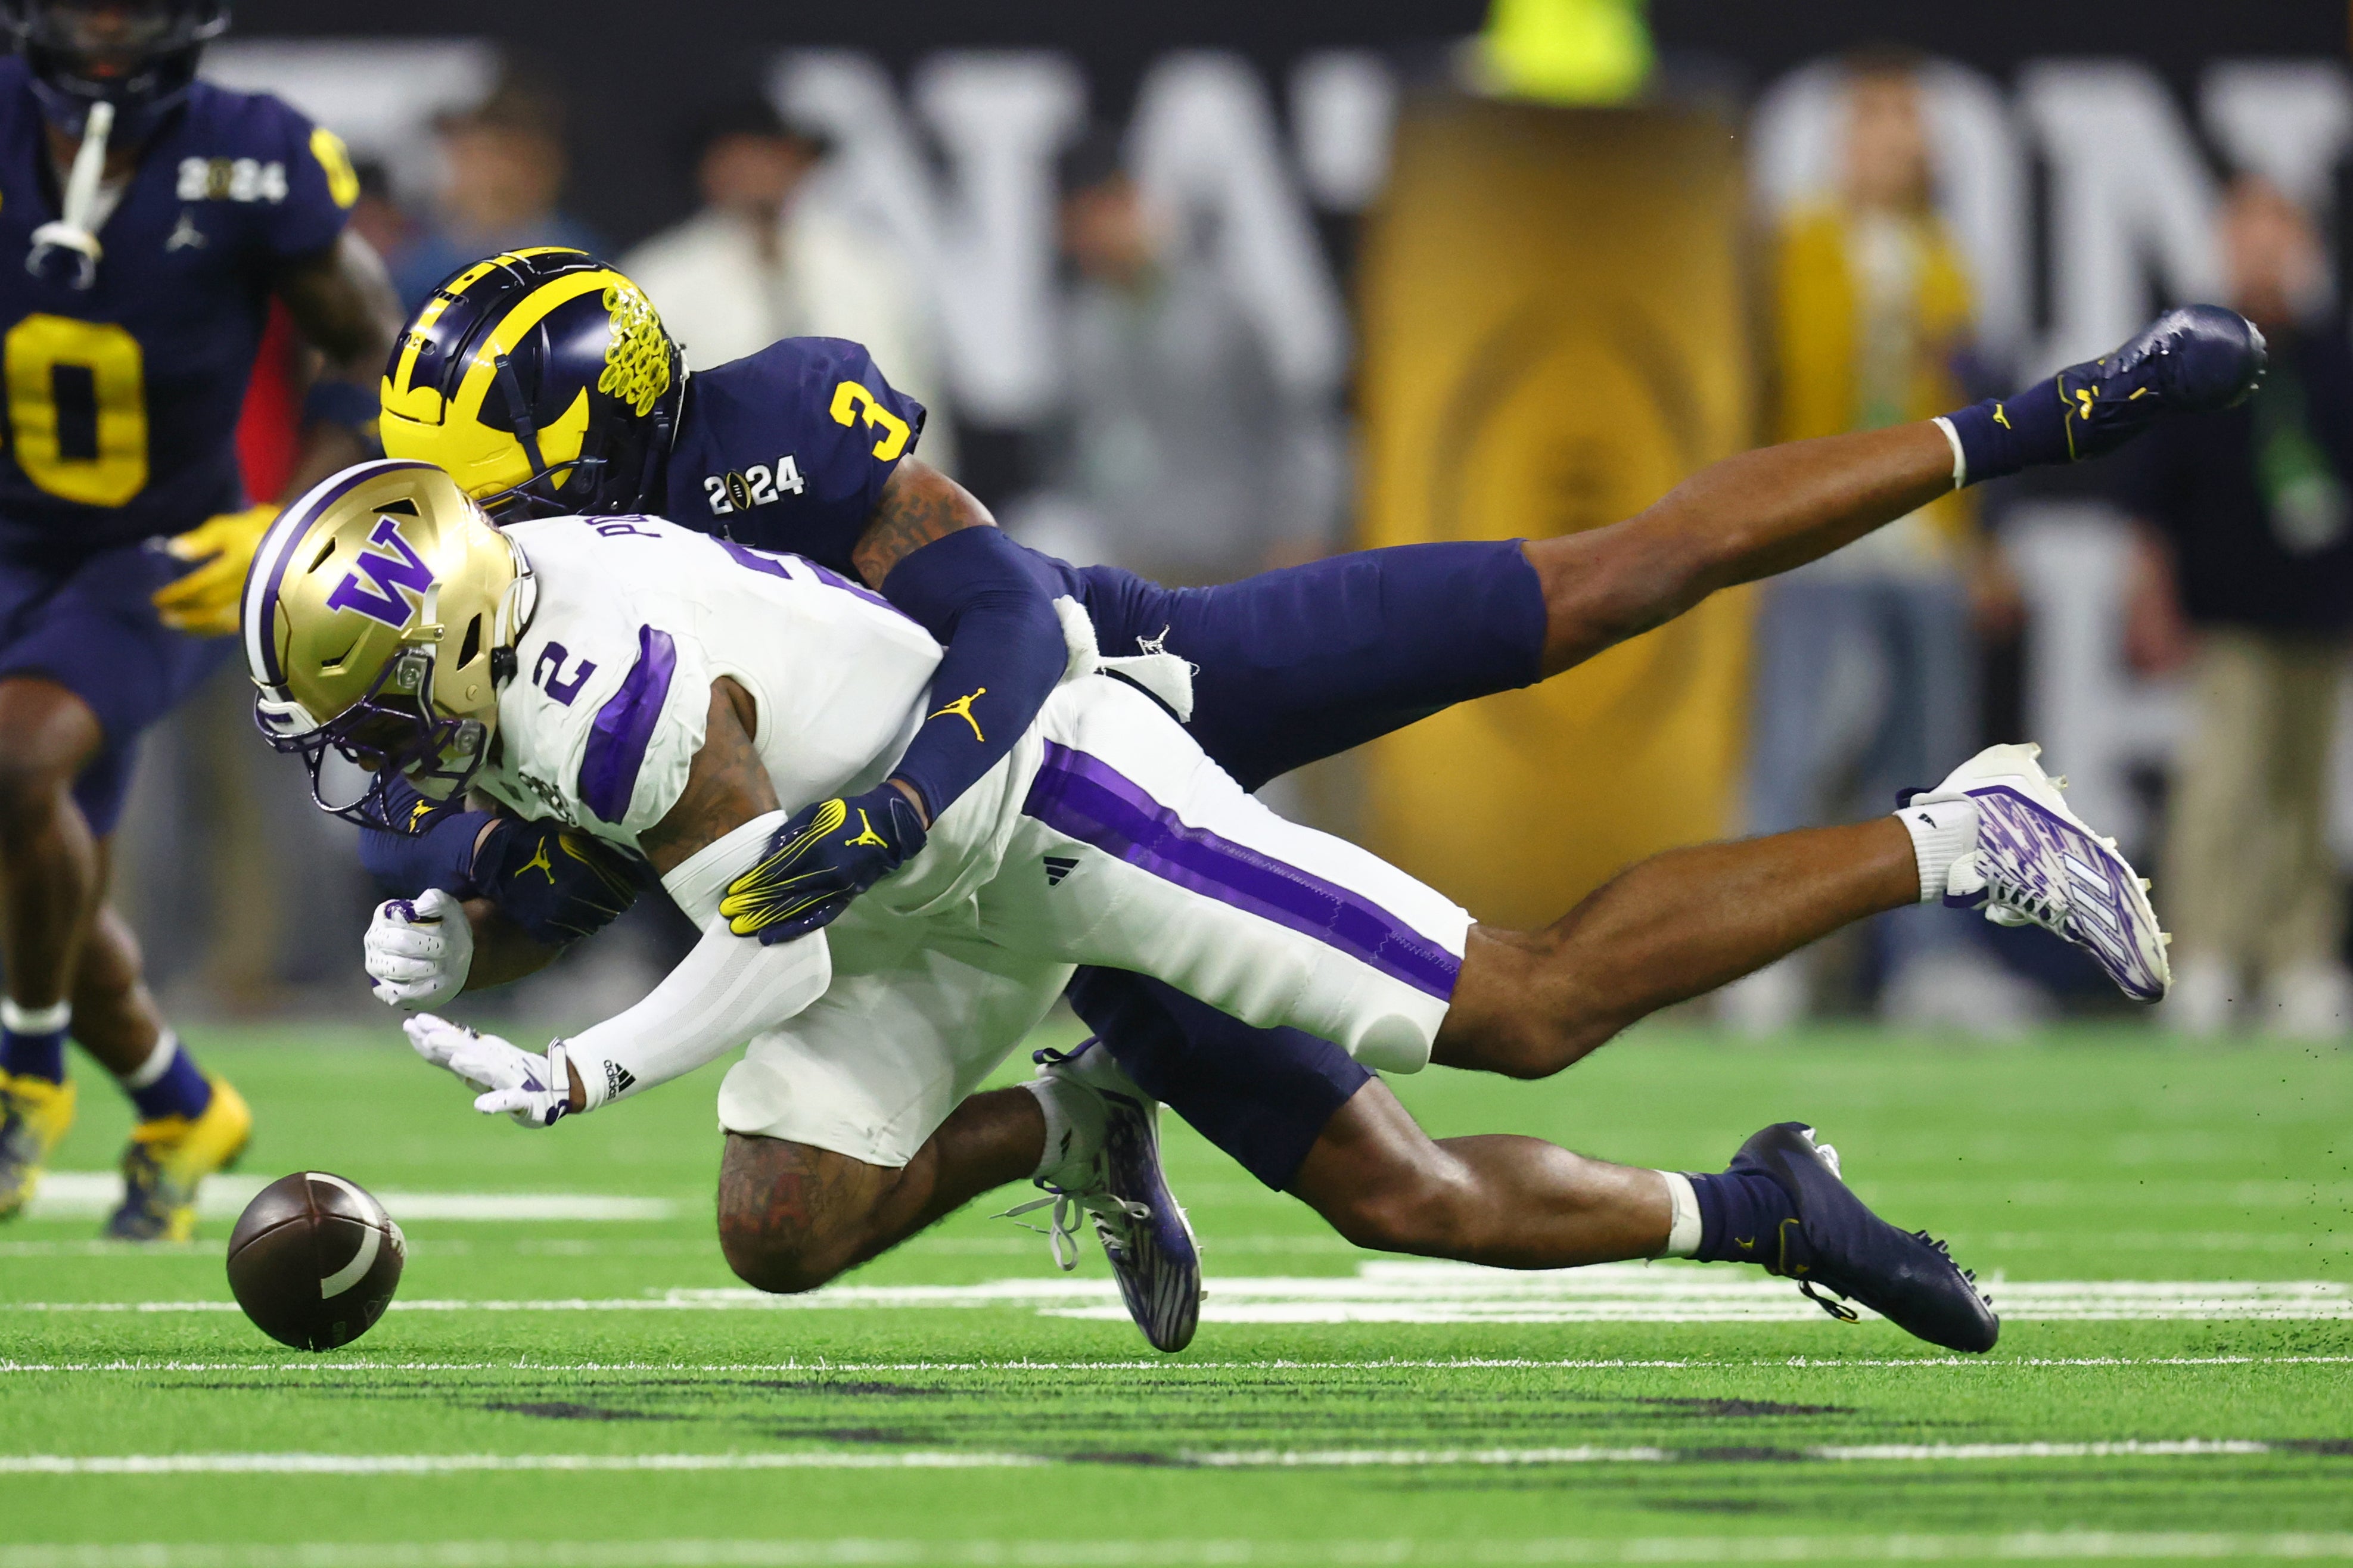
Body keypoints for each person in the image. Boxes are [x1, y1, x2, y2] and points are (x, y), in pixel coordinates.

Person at [350, 247, 2254, 1349]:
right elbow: (622, 844)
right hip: (959, 881)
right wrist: (485, 919)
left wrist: (899, 801)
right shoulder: (544, 614)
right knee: (1403, 1197)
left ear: (603, 441)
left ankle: (2047, 421)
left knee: (1600, 585)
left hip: (1100, 711)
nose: (470, 533)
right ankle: (1751, 1205)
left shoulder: (774, 424)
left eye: (493, 485)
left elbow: (1002, 616)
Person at [0, 0, 400, 1237]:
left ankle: (24, 1079)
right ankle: (180, 1103)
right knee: (36, 867)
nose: (105, 31)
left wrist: (282, 527)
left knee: (18, 767)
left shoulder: (255, 151)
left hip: (163, 554)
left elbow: (365, 350)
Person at [1724, 51, 2036, 1034]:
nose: (1885, 144)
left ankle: (1925, 960)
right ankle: (1755, 955)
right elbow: (1755, 389)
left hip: (1920, 546)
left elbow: (1970, 412)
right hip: (1817, 535)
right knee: (1791, 753)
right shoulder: (1792, 248)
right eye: (1870, 123)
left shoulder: (1944, 260)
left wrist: (1977, 541)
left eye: (1901, 125)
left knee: (1926, 763)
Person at [2119, 177, 2353, 1038]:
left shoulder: (2330, 355)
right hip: (2227, 613)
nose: (2263, 253)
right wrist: (2150, 598)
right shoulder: (2190, 353)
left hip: (2319, 611)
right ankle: (2207, 956)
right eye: (2247, 235)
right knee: (2220, 792)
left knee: (2303, 793)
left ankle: (2299, 959)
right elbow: (2149, 500)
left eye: (2277, 235)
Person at [1017, 128, 1341, 585]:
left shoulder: (1220, 310)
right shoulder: (1075, 329)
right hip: (1135, 569)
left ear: (1129, 203)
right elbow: (1067, 459)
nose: (1088, 238)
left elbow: (1292, 428)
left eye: (1096, 214)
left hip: (1239, 560)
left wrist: (1301, 530)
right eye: (1073, 225)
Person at [619, 101, 955, 472]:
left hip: (866, 499)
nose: (759, 171)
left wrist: (929, 508)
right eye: (742, 156)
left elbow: (915, 398)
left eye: (774, 156)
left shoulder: (871, 268)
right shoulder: (660, 280)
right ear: (709, 168)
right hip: (720, 502)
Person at [385, 79, 604, 311]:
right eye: (471, 154)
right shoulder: (415, 272)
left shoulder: (585, 264)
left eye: (502, 156)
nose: (487, 173)